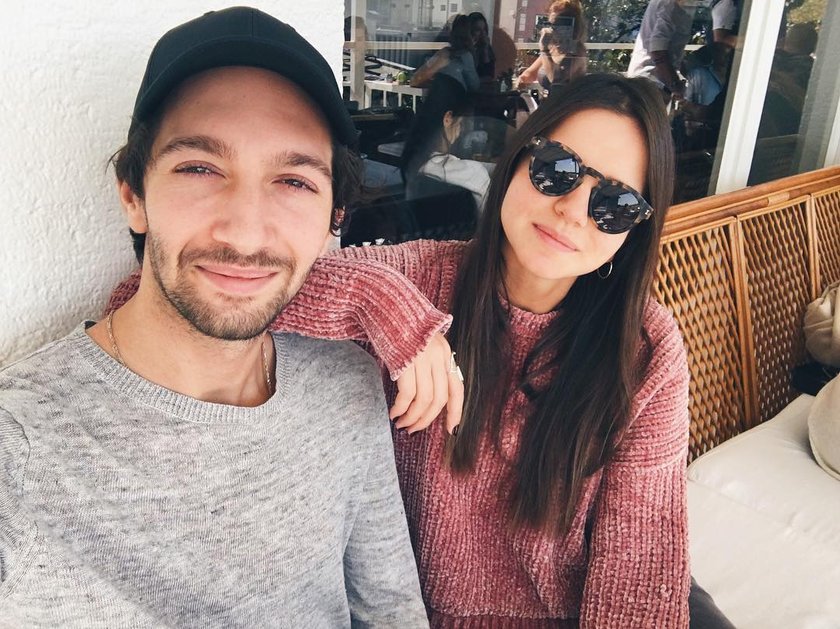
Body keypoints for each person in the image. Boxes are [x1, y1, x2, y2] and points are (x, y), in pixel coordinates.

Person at [113, 71, 688, 625]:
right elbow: (176, 293)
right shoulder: (416, 282)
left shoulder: (646, 351)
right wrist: (384, 306)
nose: (573, 210)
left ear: (635, 230)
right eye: (557, 170)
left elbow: (640, 574)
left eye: (615, 204)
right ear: (517, 162)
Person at [0, 7, 454, 626]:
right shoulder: (19, 447)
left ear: (334, 218)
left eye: (293, 181)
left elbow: (391, 614)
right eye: (200, 168)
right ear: (134, 195)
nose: (245, 233)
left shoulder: (346, 386)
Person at [401, 74, 491, 210]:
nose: (459, 132)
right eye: (460, 124)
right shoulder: (474, 173)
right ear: (448, 119)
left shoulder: (412, 166)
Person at [627, 0, 698, 98]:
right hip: (651, 83)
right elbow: (657, 50)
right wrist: (674, 85)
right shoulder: (672, 5)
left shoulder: (674, 4)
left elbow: (670, 47)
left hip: (647, 81)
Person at [518, 0, 588, 92]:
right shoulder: (552, 49)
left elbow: (555, 80)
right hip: (549, 98)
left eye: (556, 24)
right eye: (549, 24)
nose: (551, 29)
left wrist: (544, 49)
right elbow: (531, 73)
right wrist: (522, 79)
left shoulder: (575, 51)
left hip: (565, 99)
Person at [412, 14, 481, 92]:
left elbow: (415, 80)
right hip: (454, 98)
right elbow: (474, 85)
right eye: (477, 31)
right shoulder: (465, 56)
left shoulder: (442, 53)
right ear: (470, 37)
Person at [468, 11, 497, 81]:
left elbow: (489, 74)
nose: (482, 34)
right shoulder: (465, 51)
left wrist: (485, 50)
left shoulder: (487, 48)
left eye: (484, 29)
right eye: (478, 30)